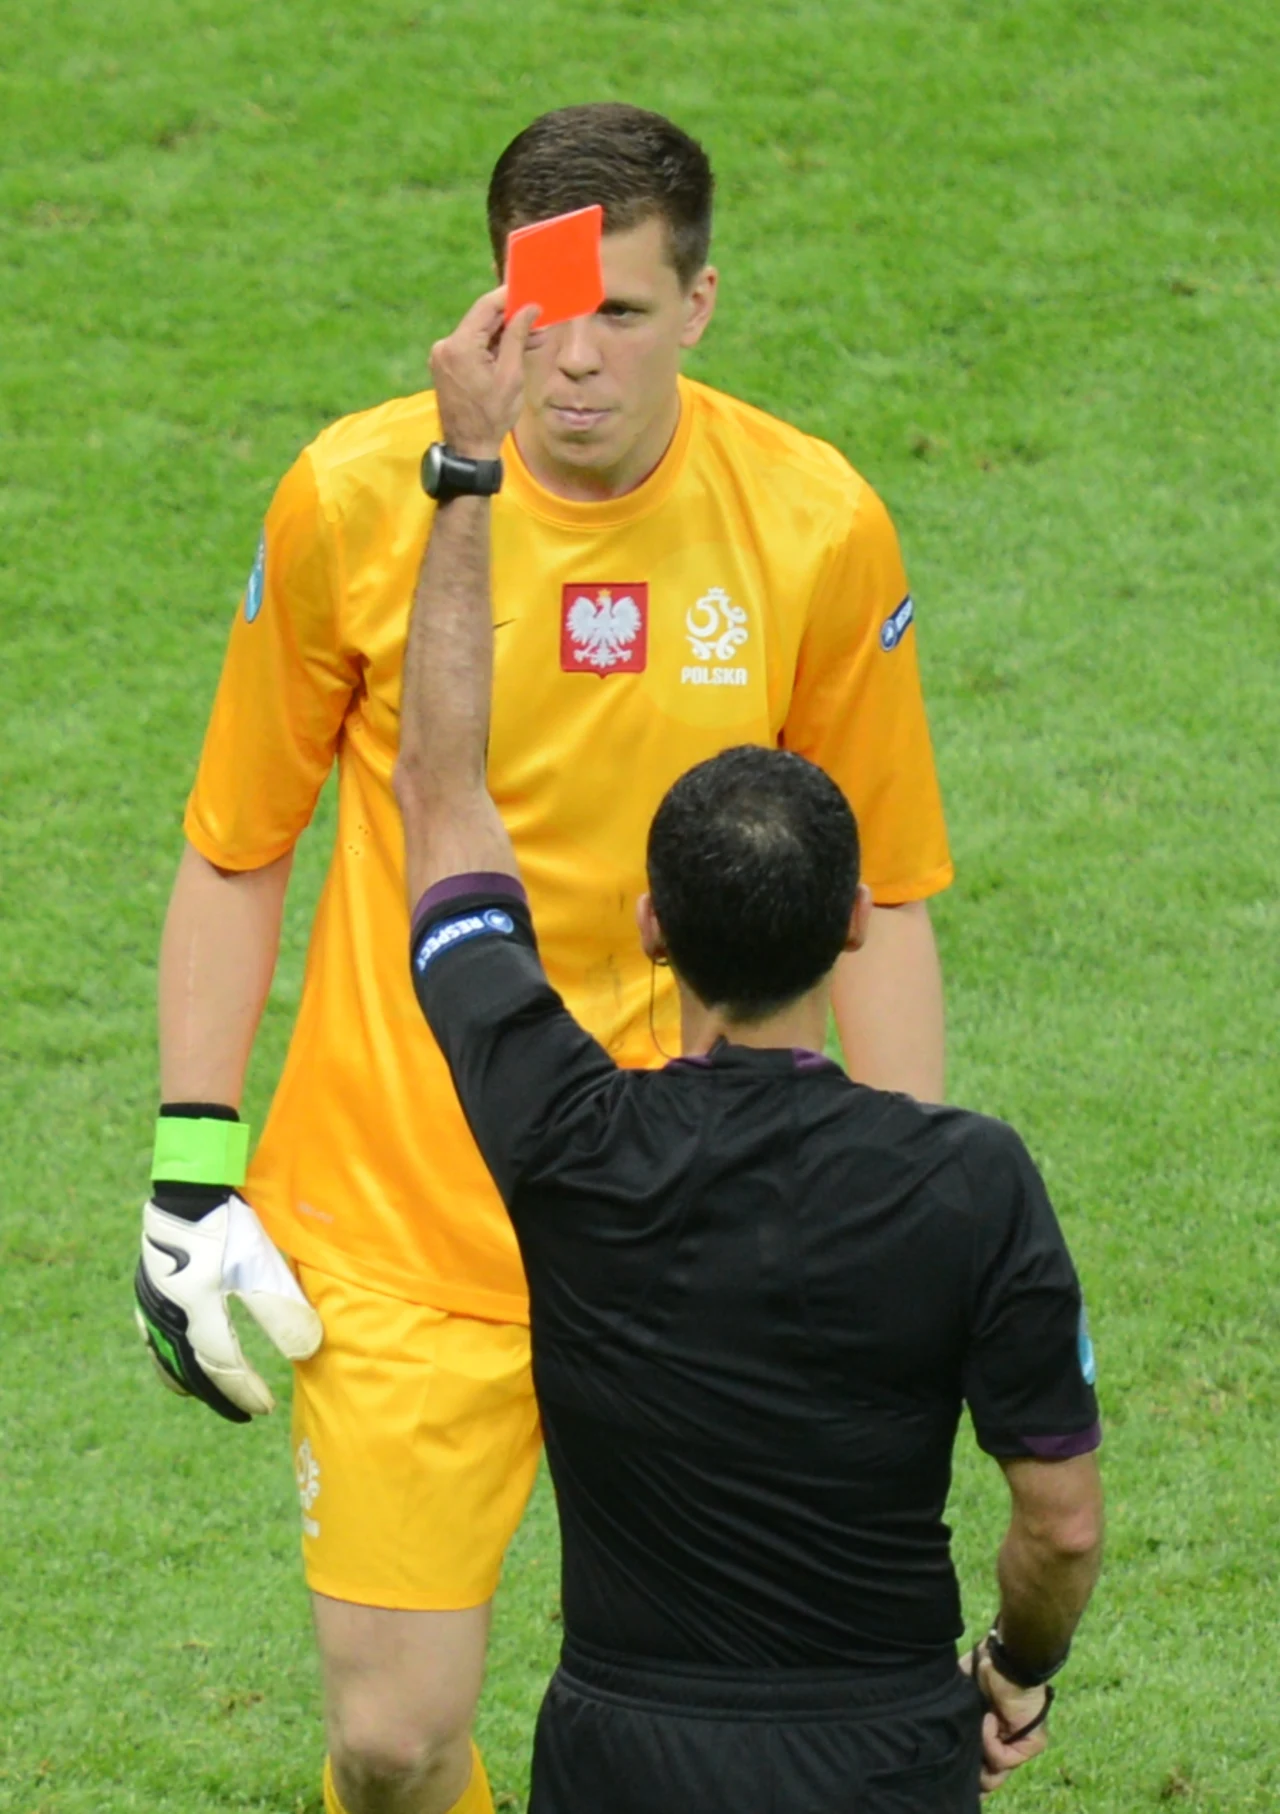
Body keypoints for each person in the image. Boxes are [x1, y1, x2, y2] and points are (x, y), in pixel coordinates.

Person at [134, 104, 954, 1814]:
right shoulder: (361, 495)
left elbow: (880, 893)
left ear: (704, 303)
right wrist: (189, 1168)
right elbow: (237, 839)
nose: (575, 365)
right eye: (541, 314)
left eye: (626, 317)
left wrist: (896, 1202)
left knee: (726, 1726)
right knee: (389, 1738)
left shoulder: (811, 527)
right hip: (404, 1221)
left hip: (692, 1226)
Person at [394, 286, 1105, 1814]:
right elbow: (1060, 1523)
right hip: (887, 1753)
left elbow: (442, 798)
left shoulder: (564, 1136)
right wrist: (1016, 1662)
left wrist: (466, 469)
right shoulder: (970, 1182)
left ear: (653, 927)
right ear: (856, 921)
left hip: (626, 1754)